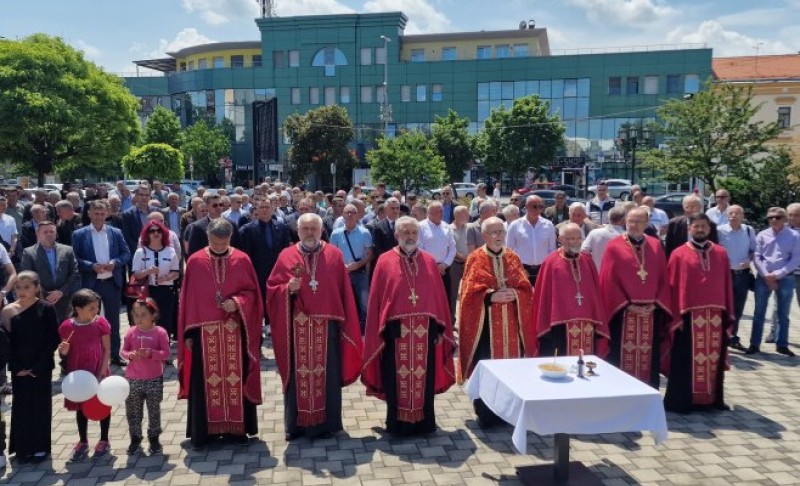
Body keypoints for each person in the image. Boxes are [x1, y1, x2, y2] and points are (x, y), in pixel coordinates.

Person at [266, 213, 363, 440]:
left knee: (327, 376)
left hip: (326, 328)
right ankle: (296, 426)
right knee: (296, 375)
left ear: (321, 231)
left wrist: (345, 325)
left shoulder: (334, 255)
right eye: (305, 229)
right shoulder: (286, 255)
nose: (310, 233)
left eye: (314, 229)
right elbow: (272, 289)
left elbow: (344, 293)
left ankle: (327, 425)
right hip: (296, 328)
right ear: (298, 231)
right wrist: (287, 289)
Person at [362, 217, 455, 436]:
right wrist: (384, 328)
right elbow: (378, 299)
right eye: (405, 232)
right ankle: (397, 425)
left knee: (425, 377)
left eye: (414, 232)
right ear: (397, 234)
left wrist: (440, 329)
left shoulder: (430, 261)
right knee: (395, 378)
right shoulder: (384, 261)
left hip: (426, 332)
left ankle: (425, 423)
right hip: (395, 333)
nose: (410, 236)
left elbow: (438, 299)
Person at [177, 218, 263, 448]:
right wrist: (188, 334)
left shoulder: (242, 259)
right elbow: (188, 300)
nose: (218, 247)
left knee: (236, 378)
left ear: (230, 238)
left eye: (223, 243)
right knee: (205, 382)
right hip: (203, 334)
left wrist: (237, 302)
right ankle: (205, 432)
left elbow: (253, 294)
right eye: (214, 243)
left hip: (235, 330)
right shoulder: (195, 261)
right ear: (207, 238)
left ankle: (237, 431)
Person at [457, 217, 533, 427]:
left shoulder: (513, 257)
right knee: (490, 370)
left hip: (512, 326)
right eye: (494, 232)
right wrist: (490, 296)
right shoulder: (475, 258)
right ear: (484, 235)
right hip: (486, 329)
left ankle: (511, 412)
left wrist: (516, 294)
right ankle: (487, 415)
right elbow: (468, 295)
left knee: (513, 370)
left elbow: (527, 289)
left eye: (501, 232)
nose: (499, 236)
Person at [664, 213, 735, 413]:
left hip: (715, 317)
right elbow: (673, 286)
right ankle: (682, 402)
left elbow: (726, 285)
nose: (700, 229)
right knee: (685, 360)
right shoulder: (678, 254)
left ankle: (713, 400)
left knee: (714, 359)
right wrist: (676, 316)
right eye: (696, 226)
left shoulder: (721, 253)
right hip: (687, 318)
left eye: (704, 226)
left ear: (709, 228)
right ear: (689, 229)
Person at [599, 208, 672, 388]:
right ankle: (620, 392)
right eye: (631, 221)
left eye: (639, 222)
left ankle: (648, 395)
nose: (634, 225)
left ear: (647, 224)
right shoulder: (614, 246)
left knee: (649, 357)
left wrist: (656, 304)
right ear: (625, 222)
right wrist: (627, 306)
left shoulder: (655, 245)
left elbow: (664, 277)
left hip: (651, 311)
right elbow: (608, 280)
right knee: (620, 356)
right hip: (622, 312)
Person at [1, 272, 59, 463]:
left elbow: (52, 339)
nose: (21, 291)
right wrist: (17, 367)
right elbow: (5, 343)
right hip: (19, 367)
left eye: (26, 287)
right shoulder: (8, 311)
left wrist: (38, 366)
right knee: (22, 406)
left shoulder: (46, 308)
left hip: (41, 366)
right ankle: (23, 448)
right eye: (18, 287)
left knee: (41, 406)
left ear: (36, 287)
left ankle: (41, 447)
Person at [531, 223, 610, 357]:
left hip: (588, 323)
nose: (574, 242)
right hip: (559, 325)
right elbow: (544, 296)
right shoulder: (551, 262)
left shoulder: (587, 260)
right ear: (560, 239)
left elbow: (595, 293)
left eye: (578, 238)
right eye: (569, 239)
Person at [72, 200, 131, 366]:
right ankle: (92, 353)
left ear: (108, 214)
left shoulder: (116, 232)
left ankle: (114, 354)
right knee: (89, 320)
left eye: (102, 214)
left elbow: (126, 253)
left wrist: (115, 263)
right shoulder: (79, 234)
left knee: (113, 321)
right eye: (96, 213)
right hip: (91, 284)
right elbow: (75, 258)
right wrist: (91, 266)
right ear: (89, 213)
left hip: (111, 282)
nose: (99, 217)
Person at [58, 290, 112, 461]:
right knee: (81, 406)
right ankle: (83, 440)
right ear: (78, 309)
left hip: (98, 369)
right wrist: (64, 352)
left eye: (97, 307)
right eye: (91, 308)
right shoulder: (67, 327)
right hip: (79, 373)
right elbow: (64, 353)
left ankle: (104, 439)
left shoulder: (101, 324)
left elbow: (107, 349)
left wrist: (103, 370)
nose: (96, 311)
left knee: (102, 404)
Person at [746, 207, 800, 357]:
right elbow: (757, 256)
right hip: (763, 278)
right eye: (770, 218)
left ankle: (782, 344)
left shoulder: (795, 236)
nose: (773, 220)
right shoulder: (762, 235)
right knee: (759, 313)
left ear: (784, 219)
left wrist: (777, 275)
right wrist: (766, 275)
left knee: (784, 314)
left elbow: (795, 259)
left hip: (786, 278)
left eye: (777, 217)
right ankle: (754, 344)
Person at [121, 298, 170, 455]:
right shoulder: (131, 331)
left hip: (154, 378)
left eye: (143, 315)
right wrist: (130, 355)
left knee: (154, 410)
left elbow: (166, 353)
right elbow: (123, 351)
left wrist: (152, 354)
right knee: (133, 411)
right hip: (133, 379)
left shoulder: (160, 332)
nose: (139, 319)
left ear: (153, 315)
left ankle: (154, 438)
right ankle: (135, 438)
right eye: (136, 315)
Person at [20, 220, 81, 323]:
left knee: (64, 333)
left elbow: (74, 273)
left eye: (51, 231)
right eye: (45, 232)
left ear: (56, 233)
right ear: (37, 233)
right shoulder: (29, 253)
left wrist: (61, 292)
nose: (49, 234)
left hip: (65, 301)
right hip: (40, 301)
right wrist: (45, 294)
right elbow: (28, 277)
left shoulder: (68, 250)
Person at [131, 220, 180, 342]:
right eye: (152, 231)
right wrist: (147, 271)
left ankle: (164, 351)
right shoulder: (141, 252)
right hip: (148, 291)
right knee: (148, 321)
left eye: (159, 231)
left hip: (166, 291)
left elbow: (176, 272)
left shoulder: (170, 251)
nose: (156, 233)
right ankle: (147, 347)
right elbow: (136, 274)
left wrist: (167, 277)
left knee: (166, 322)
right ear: (147, 234)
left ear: (164, 233)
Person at [329, 205, 373, 333]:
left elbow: (370, 254)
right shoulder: (336, 233)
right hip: (342, 273)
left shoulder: (365, 232)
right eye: (347, 212)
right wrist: (341, 267)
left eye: (353, 212)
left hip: (360, 272)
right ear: (342, 214)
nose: (350, 215)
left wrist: (358, 265)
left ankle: (364, 331)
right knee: (343, 301)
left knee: (364, 304)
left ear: (358, 214)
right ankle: (344, 328)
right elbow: (331, 254)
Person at [717, 205, 756, 351]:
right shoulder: (720, 231)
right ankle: (721, 337)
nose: (734, 215)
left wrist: (749, 260)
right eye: (731, 213)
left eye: (737, 213)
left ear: (742, 215)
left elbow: (754, 250)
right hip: (725, 275)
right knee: (723, 308)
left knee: (738, 309)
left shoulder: (748, 230)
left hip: (743, 275)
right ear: (727, 215)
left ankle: (733, 337)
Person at [506, 195, 556, 287]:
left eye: (540, 207)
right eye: (534, 206)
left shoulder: (548, 225)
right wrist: (516, 268)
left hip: (542, 269)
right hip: (522, 269)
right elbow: (509, 251)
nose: (537, 210)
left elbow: (552, 250)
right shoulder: (515, 225)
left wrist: (550, 268)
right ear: (526, 207)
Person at [417, 201, 457, 311]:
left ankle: (445, 325)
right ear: (430, 213)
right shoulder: (420, 227)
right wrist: (433, 266)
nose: (441, 213)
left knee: (444, 298)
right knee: (429, 298)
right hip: (427, 269)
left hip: (444, 269)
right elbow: (419, 249)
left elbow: (452, 248)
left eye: (442, 211)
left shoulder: (447, 227)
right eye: (438, 211)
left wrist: (444, 264)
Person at [581, 206, 627, 271]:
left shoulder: (594, 233)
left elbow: (583, 251)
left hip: (597, 273)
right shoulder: (627, 237)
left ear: (608, 218)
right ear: (624, 221)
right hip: (619, 275)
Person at [449, 206, 470, 320]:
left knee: (468, 293)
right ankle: (451, 321)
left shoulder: (470, 228)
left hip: (469, 265)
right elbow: (450, 247)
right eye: (464, 214)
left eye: (467, 214)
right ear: (456, 215)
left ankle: (466, 320)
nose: (467, 216)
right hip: (455, 265)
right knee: (453, 294)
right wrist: (462, 257)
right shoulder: (449, 229)